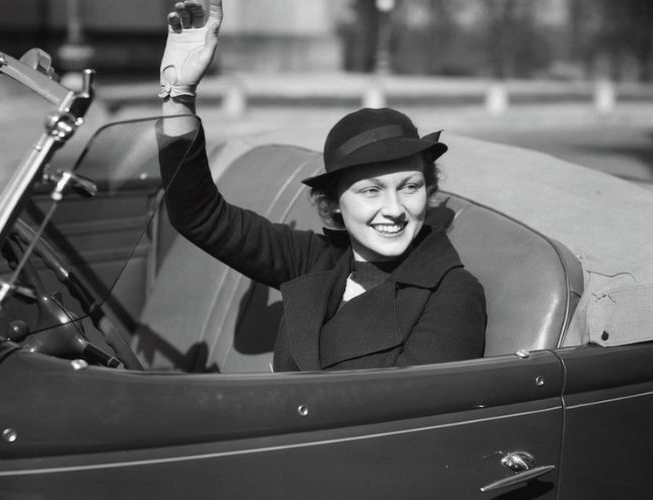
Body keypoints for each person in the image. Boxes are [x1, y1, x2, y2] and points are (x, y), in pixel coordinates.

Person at [157, 0, 486, 371]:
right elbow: (198, 215)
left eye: (409, 187)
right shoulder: (317, 262)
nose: (395, 209)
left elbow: (407, 418)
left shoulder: (451, 293)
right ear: (333, 206)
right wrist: (178, 93)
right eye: (371, 191)